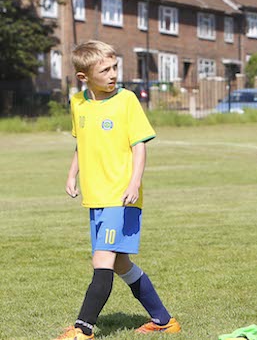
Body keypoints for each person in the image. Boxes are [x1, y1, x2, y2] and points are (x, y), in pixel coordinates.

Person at [54, 40, 181, 339]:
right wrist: (72, 174)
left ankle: (83, 328)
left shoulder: (127, 100)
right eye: (105, 70)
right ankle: (163, 320)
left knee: (102, 261)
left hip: (120, 196)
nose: (113, 75)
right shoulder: (78, 102)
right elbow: (81, 143)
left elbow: (139, 146)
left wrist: (134, 182)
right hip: (95, 196)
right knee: (121, 263)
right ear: (84, 77)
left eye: (115, 68)